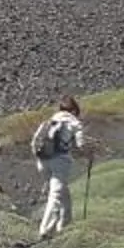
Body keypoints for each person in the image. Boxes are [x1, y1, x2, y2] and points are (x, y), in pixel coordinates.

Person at [28, 95, 90, 240]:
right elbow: (81, 145)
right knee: (55, 194)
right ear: (74, 110)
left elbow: (34, 142)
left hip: (42, 160)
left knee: (63, 194)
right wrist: (89, 154)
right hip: (60, 161)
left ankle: (64, 225)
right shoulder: (74, 123)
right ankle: (45, 230)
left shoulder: (49, 121)